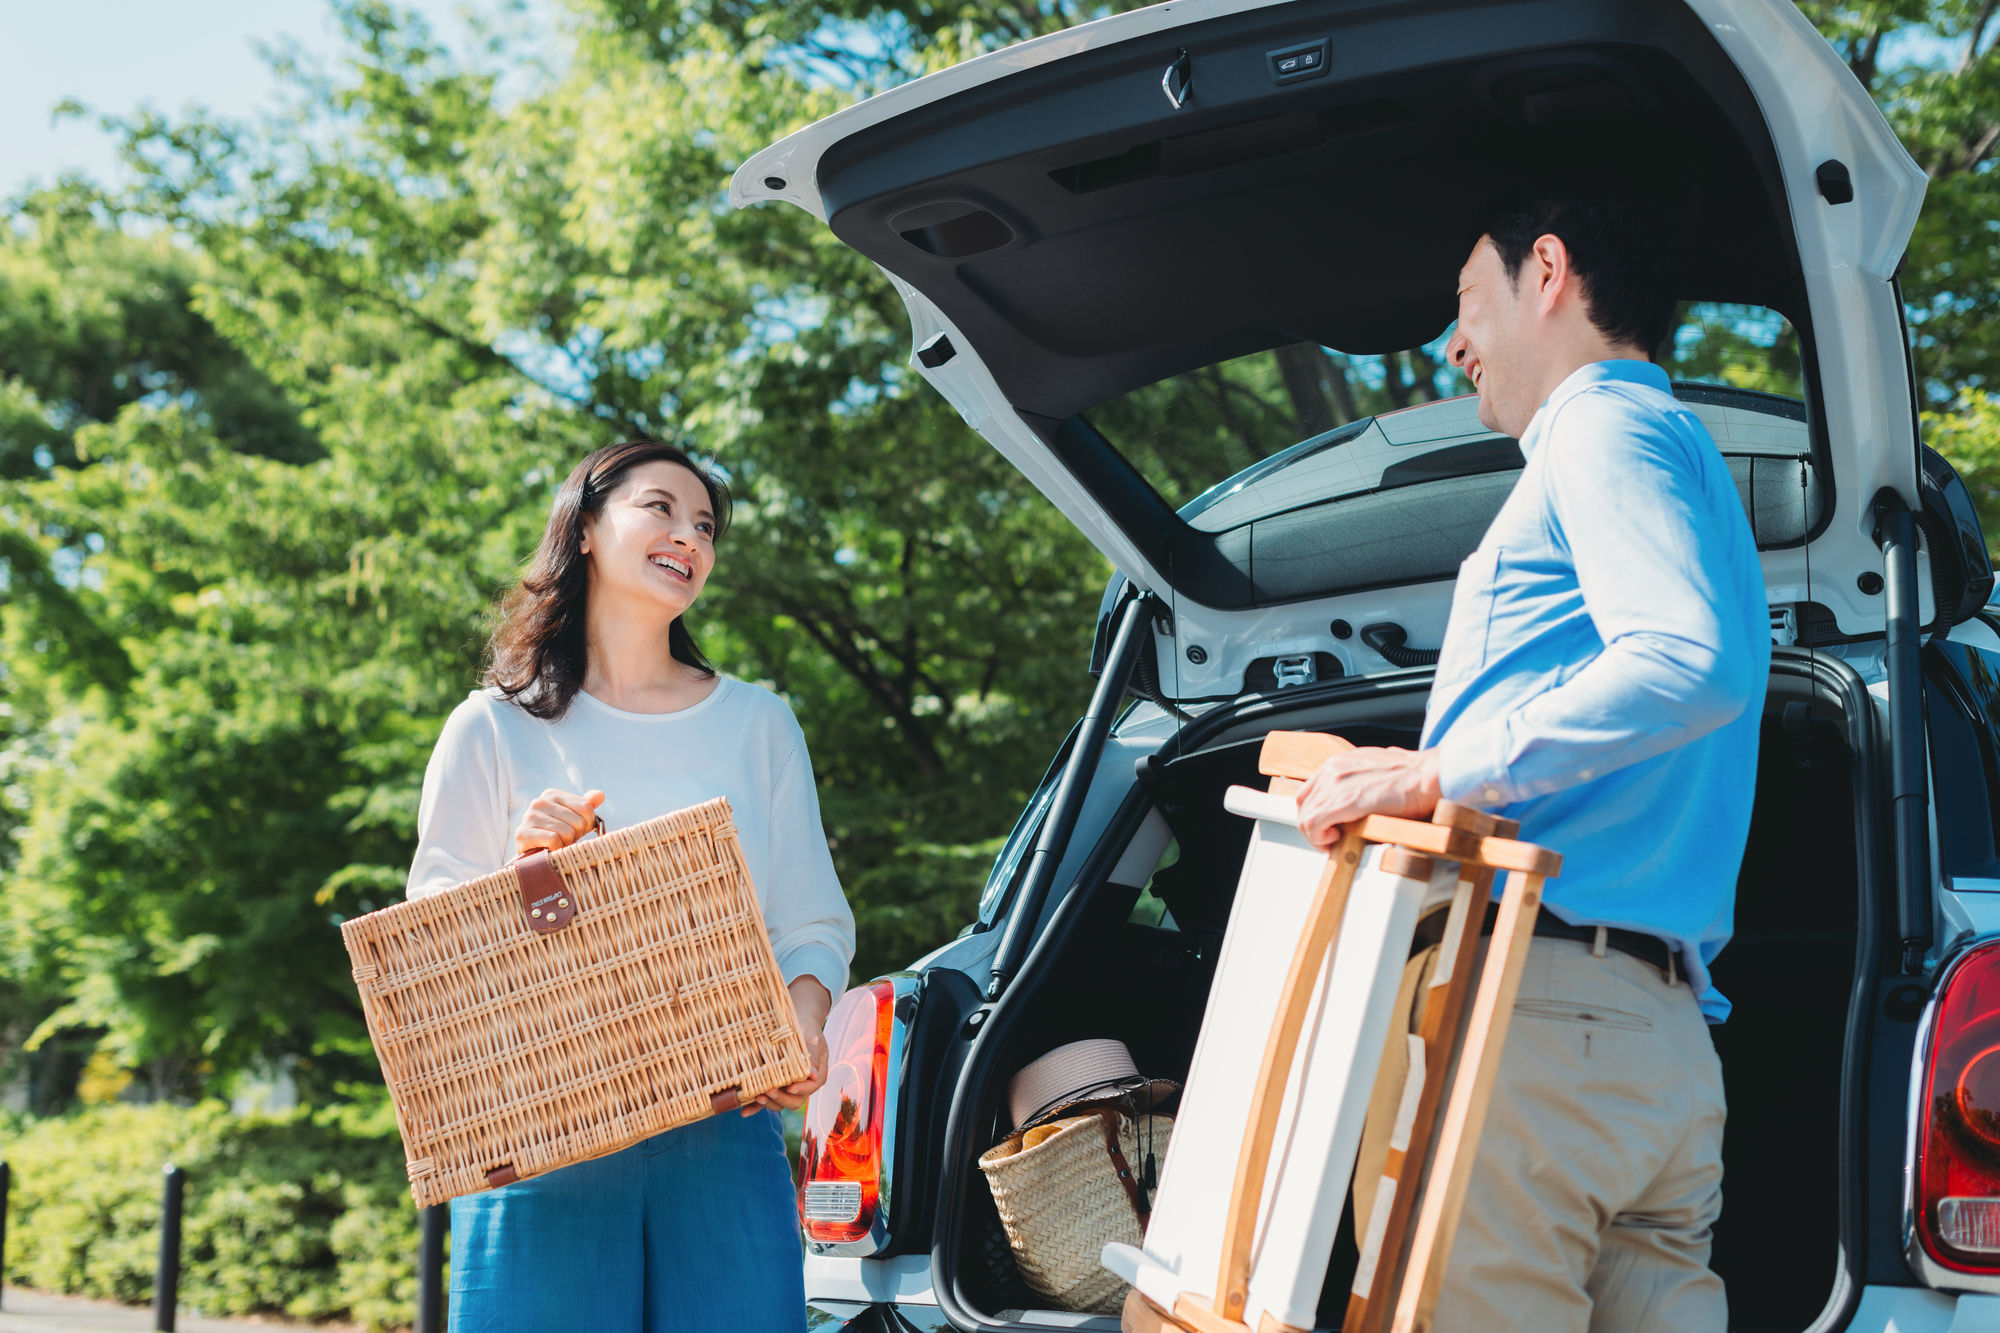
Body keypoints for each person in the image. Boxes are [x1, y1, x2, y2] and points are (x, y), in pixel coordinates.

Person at [1297, 190, 1768, 1330]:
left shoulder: (1599, 428)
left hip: (1529, 1021)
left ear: (1545, 272)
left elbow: (1682, 659)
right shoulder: (1687, 466)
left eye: (1466, 302)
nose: (1453, 343)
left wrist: (1431, 774)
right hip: (1657, 1048)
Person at [406, 439, 856, 1333]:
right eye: (661, 508)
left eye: (705, 526)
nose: (689, 536)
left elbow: (812, 921)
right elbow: (431, 941)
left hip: (724, 1130)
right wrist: (516, 876)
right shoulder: (491, 725)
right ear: (584, 528)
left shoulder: (759, 722)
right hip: (539, 1132)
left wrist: (803, 1022)